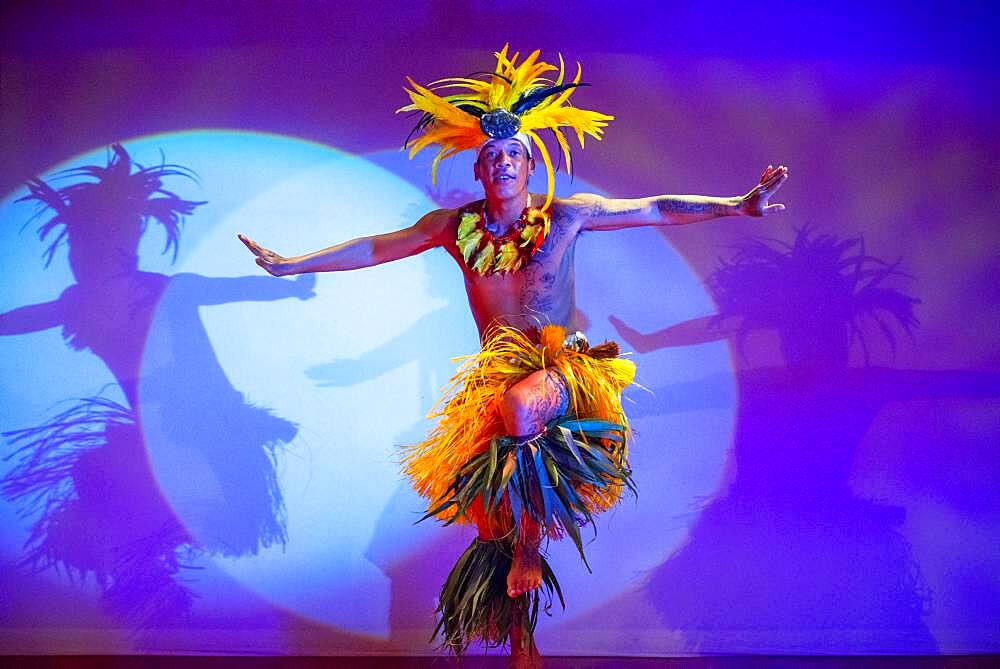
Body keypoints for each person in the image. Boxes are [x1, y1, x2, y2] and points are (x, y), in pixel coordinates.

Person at [240, 45, 788, 668]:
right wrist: (292, 263)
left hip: (561, 373)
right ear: (479, 171)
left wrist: (737, 206)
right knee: (493, 516)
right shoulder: (453, 227)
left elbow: (653, 208)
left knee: (522, 404)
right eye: (492, 156)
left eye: (514, 155)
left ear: (531, 166)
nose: (503, 164)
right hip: (491, 388)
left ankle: (529, 551)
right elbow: (375, 247)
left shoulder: (567, 218)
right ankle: (522, 644)